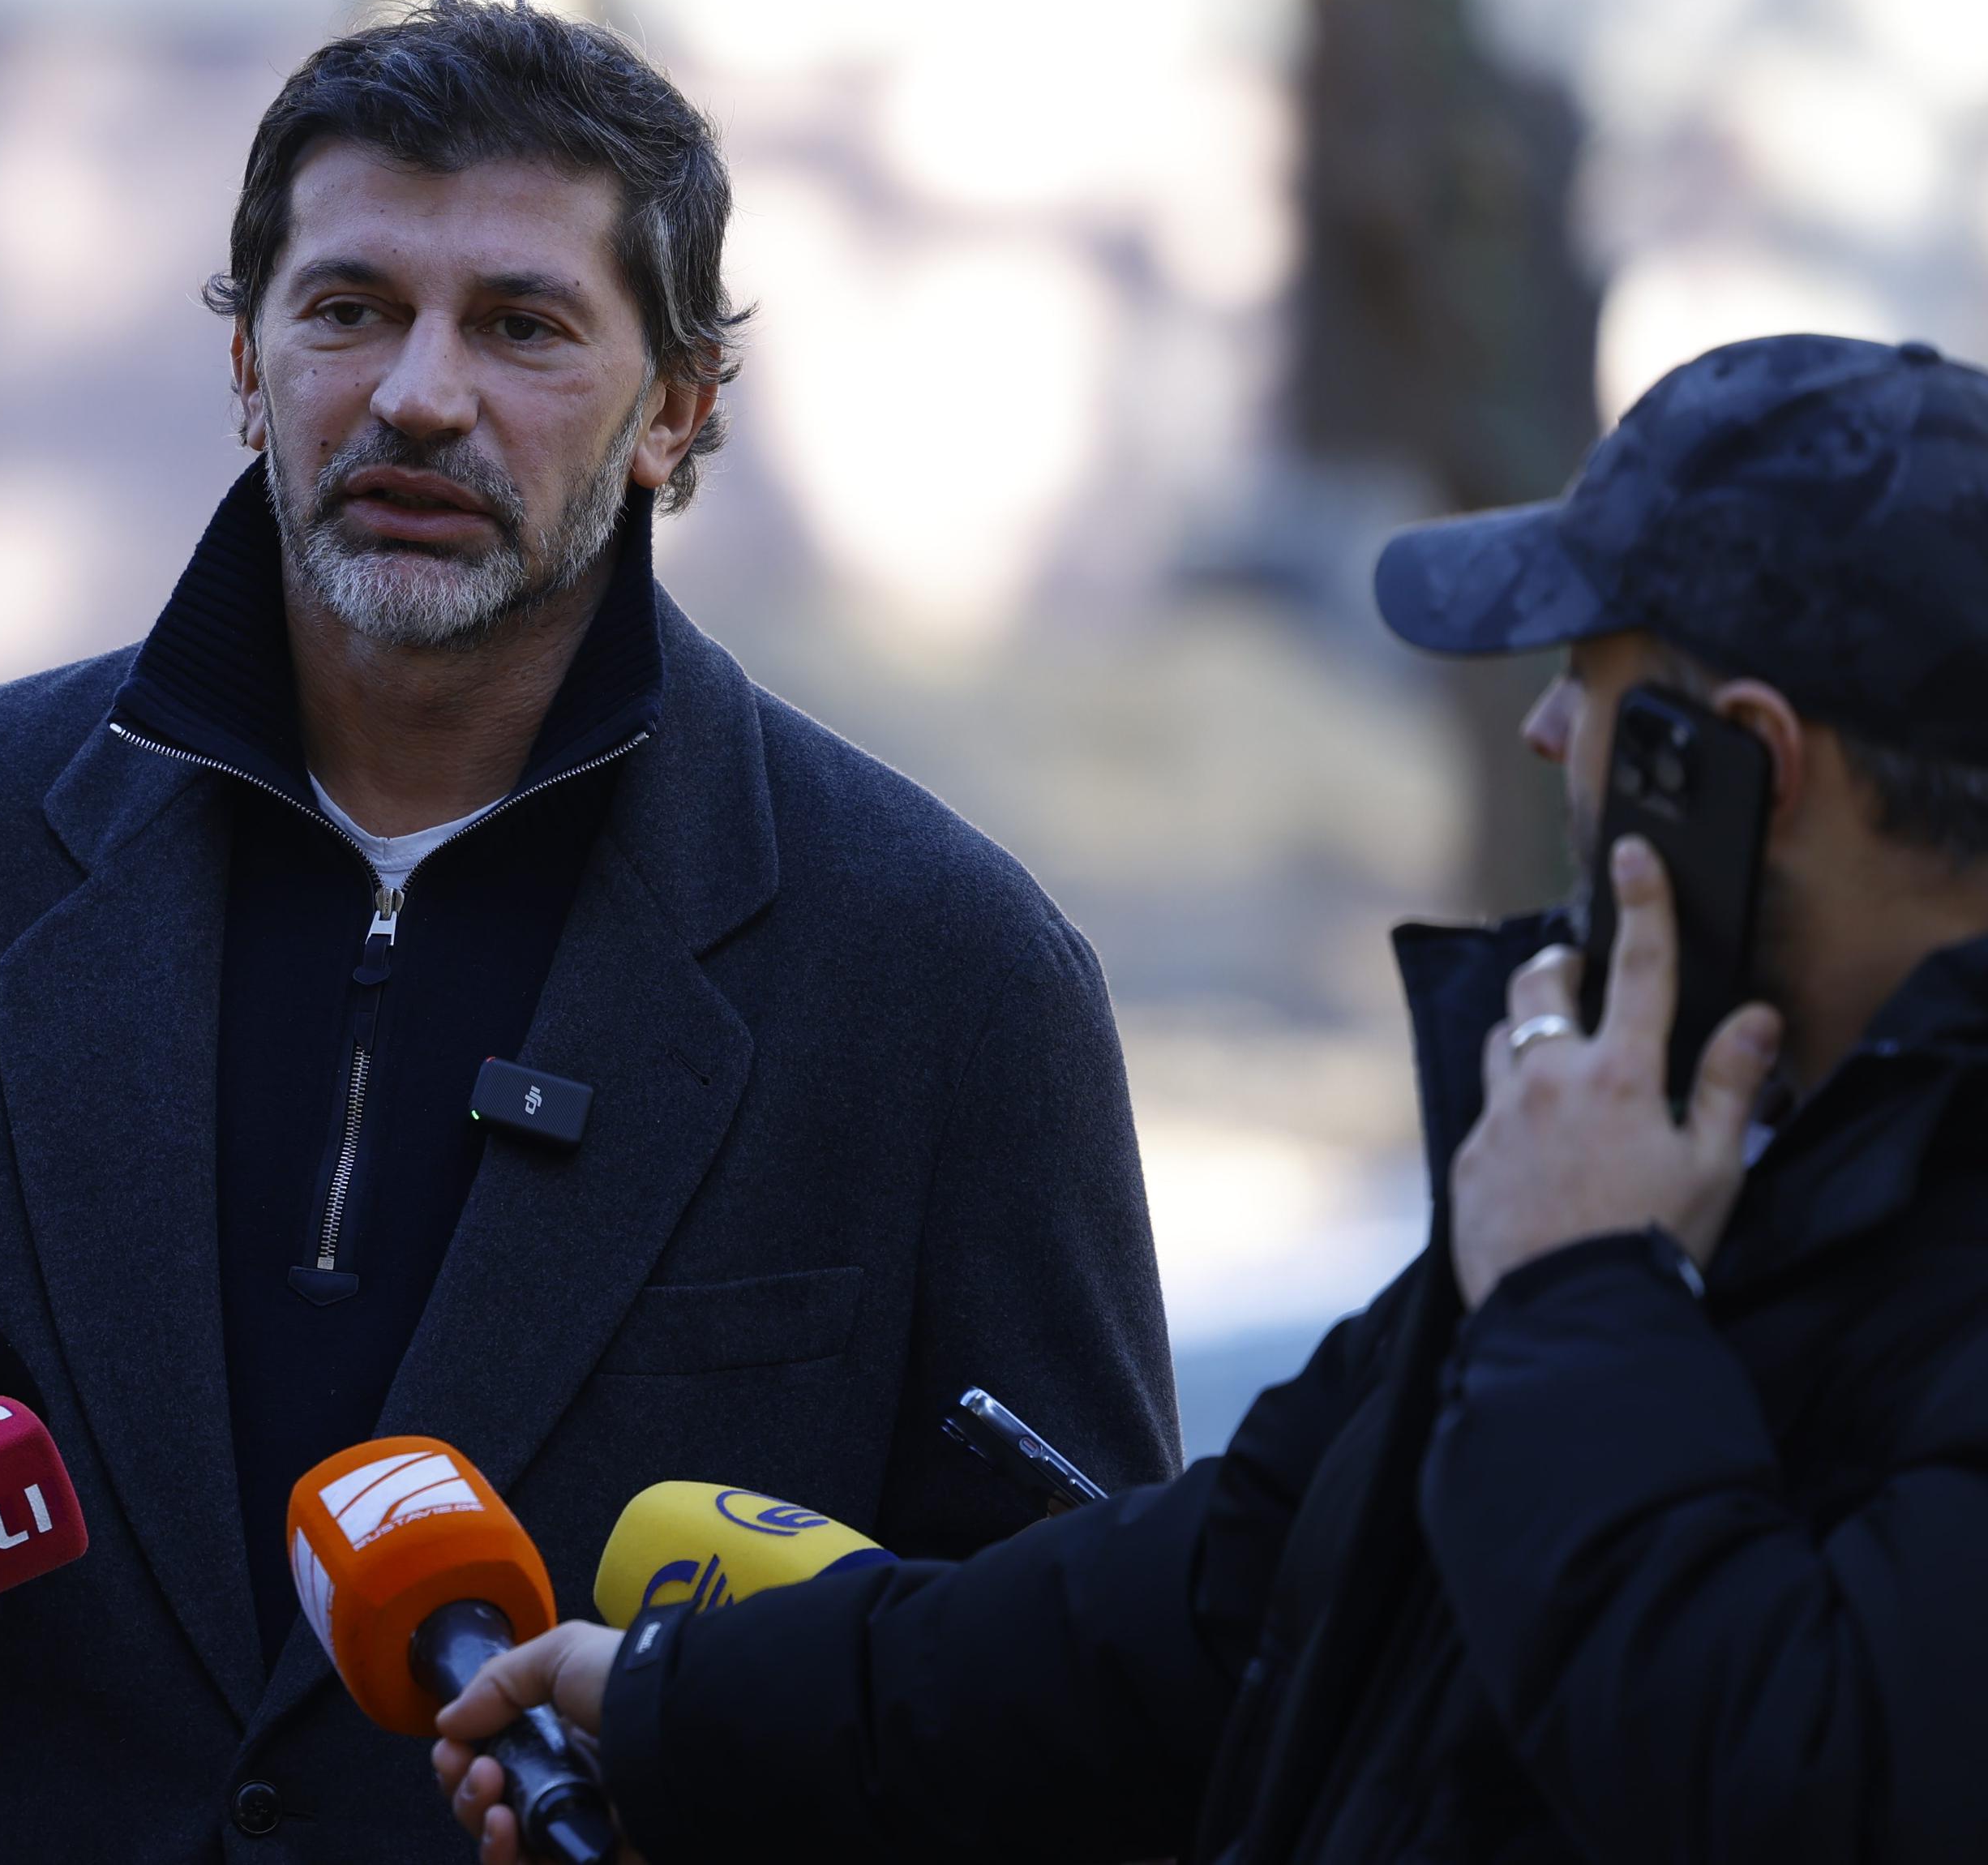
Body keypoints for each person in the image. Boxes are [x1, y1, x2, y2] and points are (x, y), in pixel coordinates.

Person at [0, 0, 1177, 1862]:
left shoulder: (937, 967)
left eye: (520, 325)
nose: (419, 393)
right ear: (249, 364)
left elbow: (1086, 1716)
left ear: (674, 411)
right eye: (348, 309)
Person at [434, 332, 1988, 1864]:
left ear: (1746, 764)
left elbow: (1804, 1778)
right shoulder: (1655, 1136)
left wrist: (1585, 1293)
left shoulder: (1603, 1227)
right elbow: (1219, 1592)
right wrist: (691, 1715)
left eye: (1590, 683)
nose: (1543, 729)